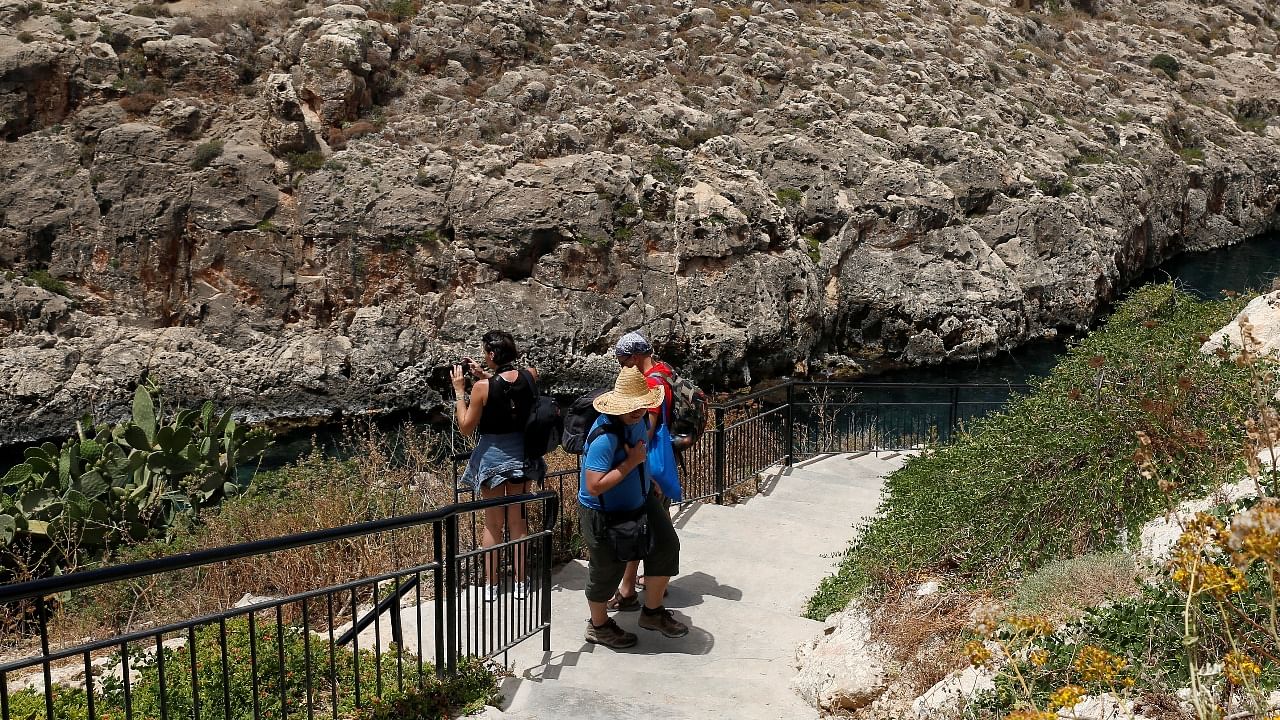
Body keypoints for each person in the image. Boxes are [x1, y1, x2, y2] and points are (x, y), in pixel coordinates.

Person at [580, 366, 689, 649]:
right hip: (605, 513)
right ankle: (598, 625)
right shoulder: (604, 437)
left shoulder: (637, 421)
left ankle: (652, 612)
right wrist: (631, 464)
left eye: (642, 405)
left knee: (666, 546)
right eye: (632, 407)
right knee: (607, 569)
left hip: (641, 500)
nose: (639, 411)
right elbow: (593, 485)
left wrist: (647, 478)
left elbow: (641, 454)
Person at [452, 330, 545, 602]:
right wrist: (486, 375)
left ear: (492, 355)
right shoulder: (531, 374)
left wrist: (460, 392)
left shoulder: (482, 389)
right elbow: (511, 395)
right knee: (518, 521)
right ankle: (520, 583)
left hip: (492, 457)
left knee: (492, 524)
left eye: (485, 353)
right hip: (522, 455)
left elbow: (466, 428)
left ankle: (492, 585)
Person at [609, 332, 680, 612]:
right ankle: (648, 584)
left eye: (622, 360)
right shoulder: (665, 371)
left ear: (635, 357)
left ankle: (634, 590)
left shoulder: (650, 384)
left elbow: (645, 432)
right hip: (664, 459)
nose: (620, 366)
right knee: (655, 525)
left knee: (640, 527)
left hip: (649, 467)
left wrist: (637, 465)